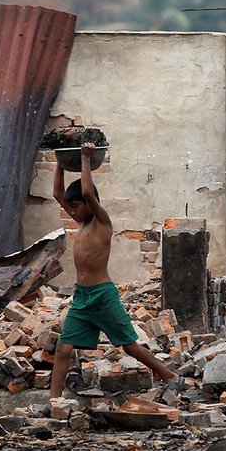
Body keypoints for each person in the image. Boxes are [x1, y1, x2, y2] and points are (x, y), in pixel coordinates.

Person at [46, 143, 180, 414]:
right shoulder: (82, 224)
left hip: (103, 295)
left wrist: (85, 158)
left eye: (75, 207)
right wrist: (61, 160)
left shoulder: (100, 222)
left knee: (128, 345)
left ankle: (169, 375)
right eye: (69, 208)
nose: (71, 211)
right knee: (63, 348)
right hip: (82, 297)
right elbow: (56, 193)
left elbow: (86, 191)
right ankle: (53, 403)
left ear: (90, 204)